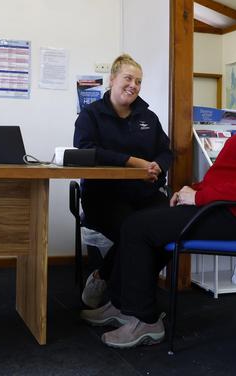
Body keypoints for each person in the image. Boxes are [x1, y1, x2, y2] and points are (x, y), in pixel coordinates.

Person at [80, 48, 236, 349]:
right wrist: (194, 192)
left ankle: (145, 319)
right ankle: (124, 306)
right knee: (140, 225)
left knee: (137, 228)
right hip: (225, 207)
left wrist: (199, 196)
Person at [73, 53, 173, 308]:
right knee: (136, 232)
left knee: (172, 228)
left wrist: (158, 165)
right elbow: (85, 150)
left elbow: (165, 151)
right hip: (104, 196)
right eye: (128, 78)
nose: (134, 86)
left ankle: (108, 277)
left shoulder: (148, 117)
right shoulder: (90, 115)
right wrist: (132, 161)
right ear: (112, 79)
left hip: (144, 194)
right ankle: (122, 292)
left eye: (138, 81)